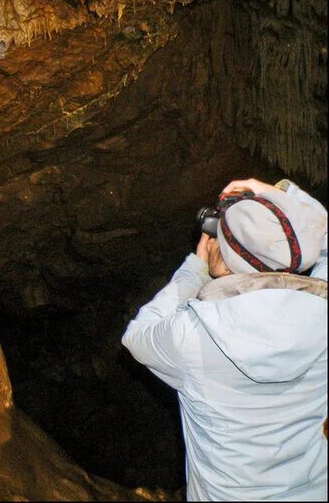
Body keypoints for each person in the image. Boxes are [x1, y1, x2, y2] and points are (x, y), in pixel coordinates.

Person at [122, 178, 328, 501]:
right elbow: (323, 233)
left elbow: (137, 336)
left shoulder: (193, 335)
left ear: (225, 252)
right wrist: (274, 192)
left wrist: (195, 268)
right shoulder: (323, 313)